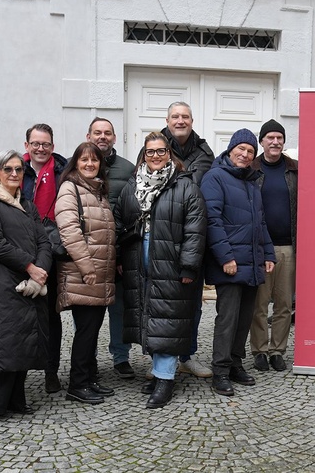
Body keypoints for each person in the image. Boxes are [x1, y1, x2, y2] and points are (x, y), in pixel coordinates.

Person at [116, 132, 206, 408]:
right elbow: (120, 221)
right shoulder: (132, 186)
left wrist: (189, 265)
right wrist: (120, 255)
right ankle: (158, 373)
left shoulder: (185, 185)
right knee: (148, 314)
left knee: (167, 315)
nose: (156, 156)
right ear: (144, 155)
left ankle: (165, 379)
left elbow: (196, 228)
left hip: (171, 261)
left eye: (161, 151)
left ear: (170, 154)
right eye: (150, 152)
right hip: (138, 261)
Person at [0, 150, 52, 425]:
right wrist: (30, 267)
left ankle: (16, 399)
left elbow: (43, 241)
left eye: (19, 169)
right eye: (9, 169)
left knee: (25, 342)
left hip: (29, 282)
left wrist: (39, 273)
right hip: (1, 283)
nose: (15, 174)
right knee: (4, 343)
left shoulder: (27, 204)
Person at [201, 129, 276, 396]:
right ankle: (220, 370)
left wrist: (268, 254)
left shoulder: (251, 182)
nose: (245, 155)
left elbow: (261, 222)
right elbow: (212, 221)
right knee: (227, 319)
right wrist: (226, 258)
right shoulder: (215, 178)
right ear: (230, 149)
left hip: (252, 261)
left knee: (244, 318)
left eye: (250, 151)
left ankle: (235, 363)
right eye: (241, 149)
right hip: (230, 263)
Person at [55, 142, 117, 405]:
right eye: (84, 160)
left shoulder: (98, 191)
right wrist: (88, 268)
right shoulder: (70, 188)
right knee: (85, 332)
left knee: (91, 331)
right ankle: (77, 385)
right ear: (76, 163)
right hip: (85, 274)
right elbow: (69, 231)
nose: (90, 164)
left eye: (94, 160)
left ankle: (90, 378)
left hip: (100, 274)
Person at [161, 102, 215, 378]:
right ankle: (161, 361)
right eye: (175, 116)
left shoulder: (206, 153)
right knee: (161, 302)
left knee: (192, 302)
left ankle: (187, 355)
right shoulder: (154, 148)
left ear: (192, 121)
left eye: (185, 116)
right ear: (167, 120)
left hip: (195, 237)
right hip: (162, 236)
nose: (180, 121)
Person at [87, 117, 138, 380]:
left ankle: (121, 357)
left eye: (108, 133)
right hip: (89, 254)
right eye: (98, 132)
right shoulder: (78, 167)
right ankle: (88, 359)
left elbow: (133, 213)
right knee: (88, 313)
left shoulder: (128, 169)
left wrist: (124, 249)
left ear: (115, 138)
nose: (102, 137)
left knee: (119, 309)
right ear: (89, 136)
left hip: (119, 252)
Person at [21, 123, 69, 393]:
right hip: (20, 250)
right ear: (27, 145)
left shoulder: (63, 172)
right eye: (36, 143)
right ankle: (12, 370)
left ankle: (51, 371)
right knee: (17, 316)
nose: (41, 148)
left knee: (51, 317)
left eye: (46, 144)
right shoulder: (15, 169)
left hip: (52, 251)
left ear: (53, 146)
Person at [249, 119, 298, 373]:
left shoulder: (295, 170)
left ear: (284, 142)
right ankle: (259, 350)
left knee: (284, 305)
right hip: (258, 248)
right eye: (270, 138)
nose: (275, 142)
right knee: (258, 304)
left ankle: (277, 351)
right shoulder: (251, 169)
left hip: (288, 247)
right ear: (262, 141)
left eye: (279, 138)